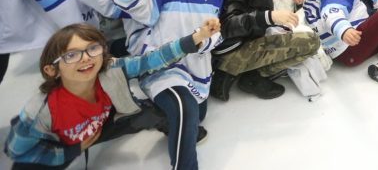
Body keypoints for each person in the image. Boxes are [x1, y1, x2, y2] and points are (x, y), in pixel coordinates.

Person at [5, 20, 220, 168]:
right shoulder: (40, 112)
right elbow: (15, 150)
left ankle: (170, 127)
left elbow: (151, 60)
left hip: (105, 125)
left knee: (157, 110)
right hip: (64, 143)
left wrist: (195, 37)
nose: (86, 58)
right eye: (71, 55)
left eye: (92, 49)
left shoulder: (111, 68)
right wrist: (71, 151)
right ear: (52, 70)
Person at [112, 0, 224, 170]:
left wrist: (209, 36)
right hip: (162, 65)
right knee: (184, 107)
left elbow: (213, 33)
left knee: (195, 115)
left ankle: (149, 112)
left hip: (195, 66)